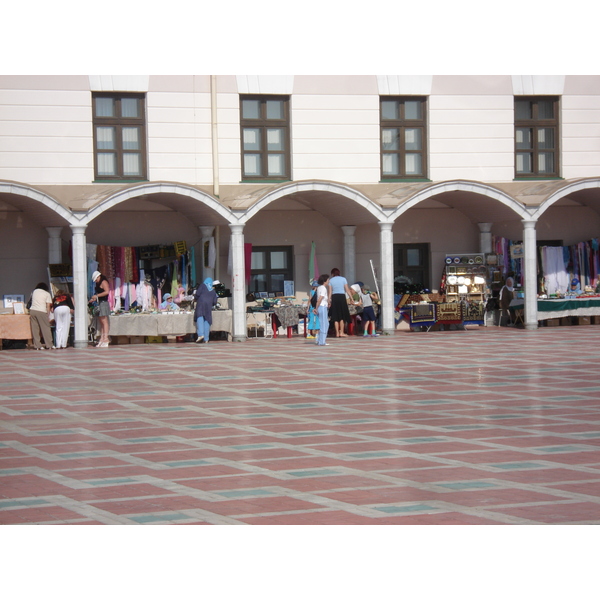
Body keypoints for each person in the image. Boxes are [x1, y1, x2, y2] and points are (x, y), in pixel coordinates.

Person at [328, 267, 356, 337]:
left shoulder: (330, 280)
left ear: (332, 274)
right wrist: (351, 298)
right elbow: (347, 290)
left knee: (335, 316)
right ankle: (342, 332)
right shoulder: (343, 279)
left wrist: (329, 300)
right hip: (341, 297)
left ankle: (337, 332)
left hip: (334, 297)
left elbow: (330, 292)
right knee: (342, 316)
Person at [29, 282, 54, 350]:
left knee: (35, 329)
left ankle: (37, 345)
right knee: (45, 328)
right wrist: (48, 314)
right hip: (41, 311)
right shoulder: (46, 294)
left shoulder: (34, 292)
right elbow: (48, 305)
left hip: (32, 311)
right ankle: (49, 344)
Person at [194, 278, 219, 343]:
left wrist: (195, 299)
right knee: (207, 320)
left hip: (200, 304)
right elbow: (214, 302)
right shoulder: (213, 291)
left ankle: (201, 335)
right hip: (208, 306)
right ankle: (206, 338)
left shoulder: (202, 285)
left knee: (200, 318)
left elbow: (197, 294)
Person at [90, 270, 111, 347]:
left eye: (96, 279)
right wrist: (94, 298)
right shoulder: (99, 283)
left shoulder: (103, 282)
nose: (96, 281)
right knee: (101, 322)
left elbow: (107, 291)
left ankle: (105, 338)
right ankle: (102, 338)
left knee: (104, 321)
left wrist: (97, 296)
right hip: (100, 303)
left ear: (99, 276)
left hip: (103, 303)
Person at [314, 273, 330, 346]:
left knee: (322, 323)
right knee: (324, 324)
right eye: (328, 279)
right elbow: (320, 298)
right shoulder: (323, 288)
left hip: (321, 306)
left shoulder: (319, 287)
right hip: (322, 306)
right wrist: (316, 308)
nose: (329, 281)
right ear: (325, 281)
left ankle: (319, 340)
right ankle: (322, 341)